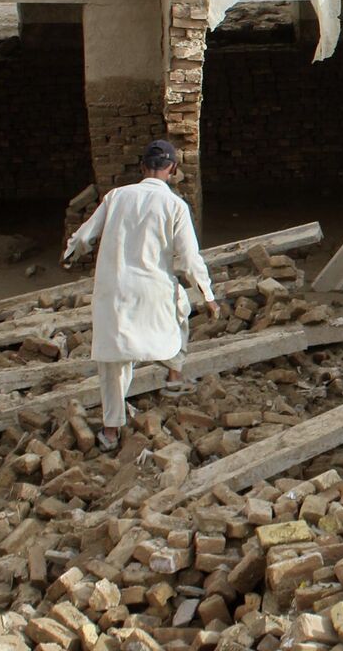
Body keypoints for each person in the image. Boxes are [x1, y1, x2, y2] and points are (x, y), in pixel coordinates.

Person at [63, 140, 221, 451]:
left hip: (114, 292)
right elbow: (189, 258)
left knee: (113, 361)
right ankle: (174, 375)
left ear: (141, 168)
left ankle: (110, 431)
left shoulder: (117, 196)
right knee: (180, 312)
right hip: (153, 290)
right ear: (173, 169)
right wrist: (208, 295)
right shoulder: (175, 205)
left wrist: (69, 253)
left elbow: (84, 235)